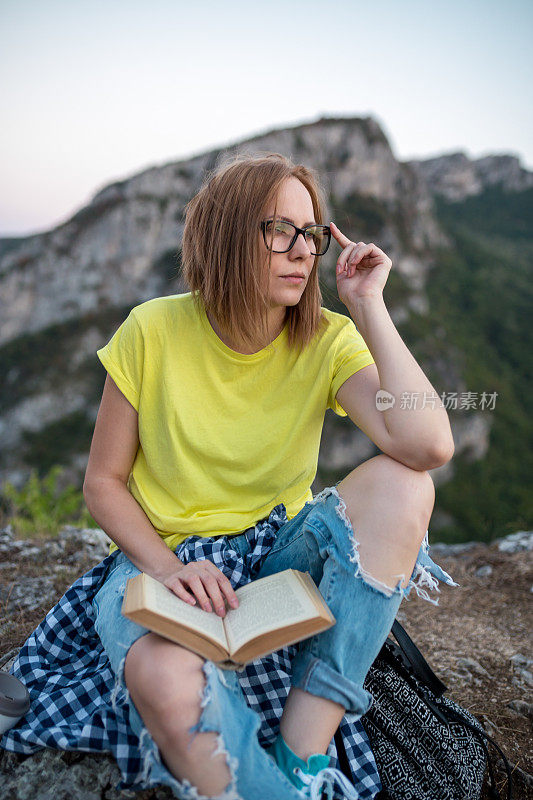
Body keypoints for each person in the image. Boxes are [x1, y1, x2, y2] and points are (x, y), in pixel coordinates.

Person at [3, 152, 458, 800]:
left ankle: (301, 756)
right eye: (280, 230)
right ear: (226, 233)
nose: (302, 250)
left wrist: (367, 304)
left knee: (406, 484)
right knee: (162, 675)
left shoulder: (327, 339)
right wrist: (165, 568)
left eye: (311, 234)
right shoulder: (151, 329)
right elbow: (102, 483)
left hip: (276, 553)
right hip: (161, 566)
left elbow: (427, 443)